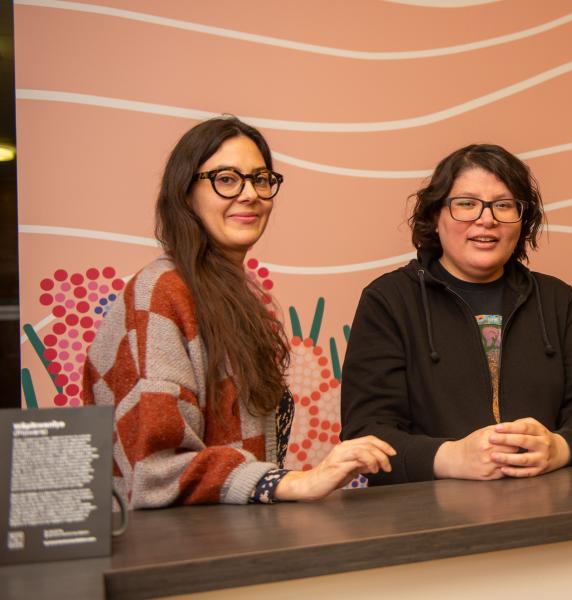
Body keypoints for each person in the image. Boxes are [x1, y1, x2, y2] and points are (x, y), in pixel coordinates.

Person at [83, 116, 394, 508]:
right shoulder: (161, 292)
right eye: (226, 179)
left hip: (225, 535)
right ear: (185, 193)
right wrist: (296, 482)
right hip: (176, 542)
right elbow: (154, 470)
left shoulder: (227, 295)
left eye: (260, 179)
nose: (250, 194)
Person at [340, 144, 572, 484]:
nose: (486, 219)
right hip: (426, 511)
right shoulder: (388, 300)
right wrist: (452, 458)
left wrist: (558, 448)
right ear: (435, 215)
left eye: (503, 205)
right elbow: (366, 433)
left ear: (523, 220)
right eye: (466, 204)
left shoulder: (555, 299)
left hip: (545, 506)